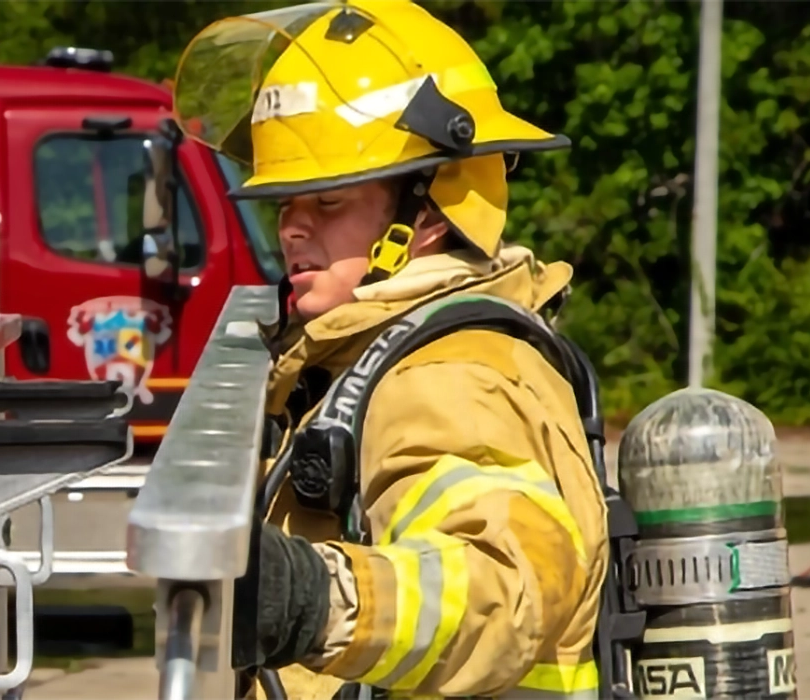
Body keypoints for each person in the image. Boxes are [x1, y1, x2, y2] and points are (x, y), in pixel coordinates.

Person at [171, 1, 611, 698]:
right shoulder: (375, 353)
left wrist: (313, 599)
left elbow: (503, 589)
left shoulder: (450, 373)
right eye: (285, 202)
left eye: (329, 202)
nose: (292, 228)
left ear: (429, 212)